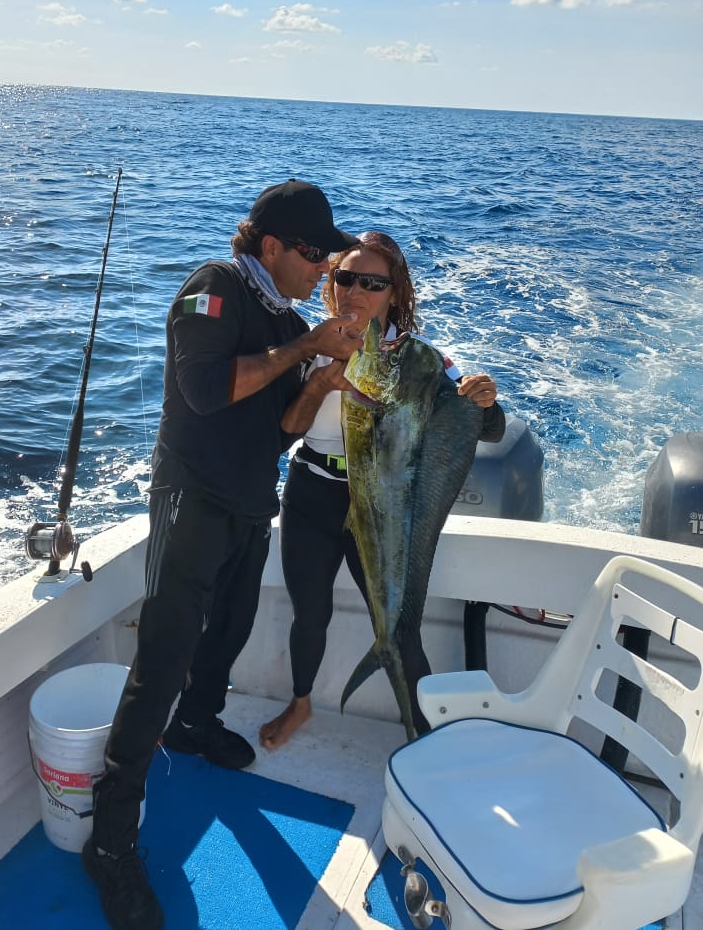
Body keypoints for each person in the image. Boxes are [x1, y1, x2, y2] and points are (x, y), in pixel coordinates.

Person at [83, 179, 364, 930]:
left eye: (329, 255)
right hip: (192, 497)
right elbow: (205, 391)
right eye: (315, 252)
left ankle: (195, 724)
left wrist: (318, 381)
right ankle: (110, 842)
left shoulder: (289, 320)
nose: (324, 267)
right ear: (271, 246)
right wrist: (304, 348)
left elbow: (281, 430)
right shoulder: (212, 290)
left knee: (230, 630)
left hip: (248, 502)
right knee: (164, 658)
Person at [258, 230, 505, 750]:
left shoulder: (423, 360)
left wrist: (484, 400)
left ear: (395, 293)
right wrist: (320, 381)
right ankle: (301, 703)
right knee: (310, 613)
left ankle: (425, 733)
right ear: (331, 282)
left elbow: (487, 429)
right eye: (346, 278)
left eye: (373, 283)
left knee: (397, 625)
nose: (356, 291)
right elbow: (284, 429)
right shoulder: (307, 346)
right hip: (311, 492)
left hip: (385, 503)